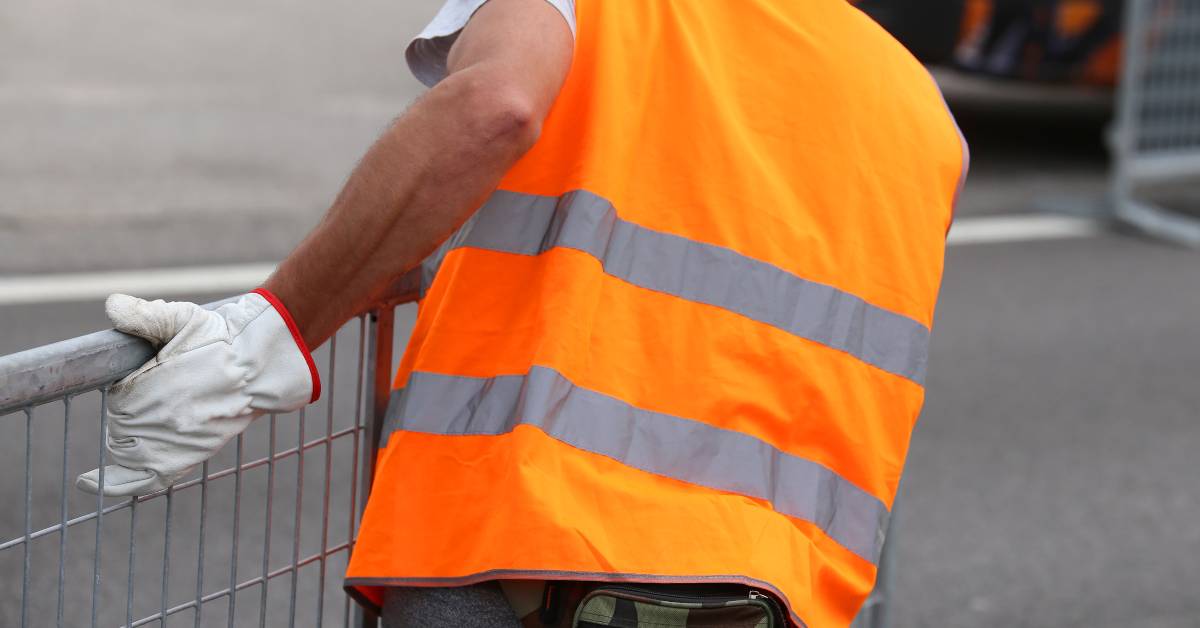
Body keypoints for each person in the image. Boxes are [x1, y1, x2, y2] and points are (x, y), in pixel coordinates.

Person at [77, 0, 968, 626]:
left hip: (529, 557)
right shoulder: (920, 111)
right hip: (770, 593)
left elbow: (495, 106)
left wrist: (267, 334)